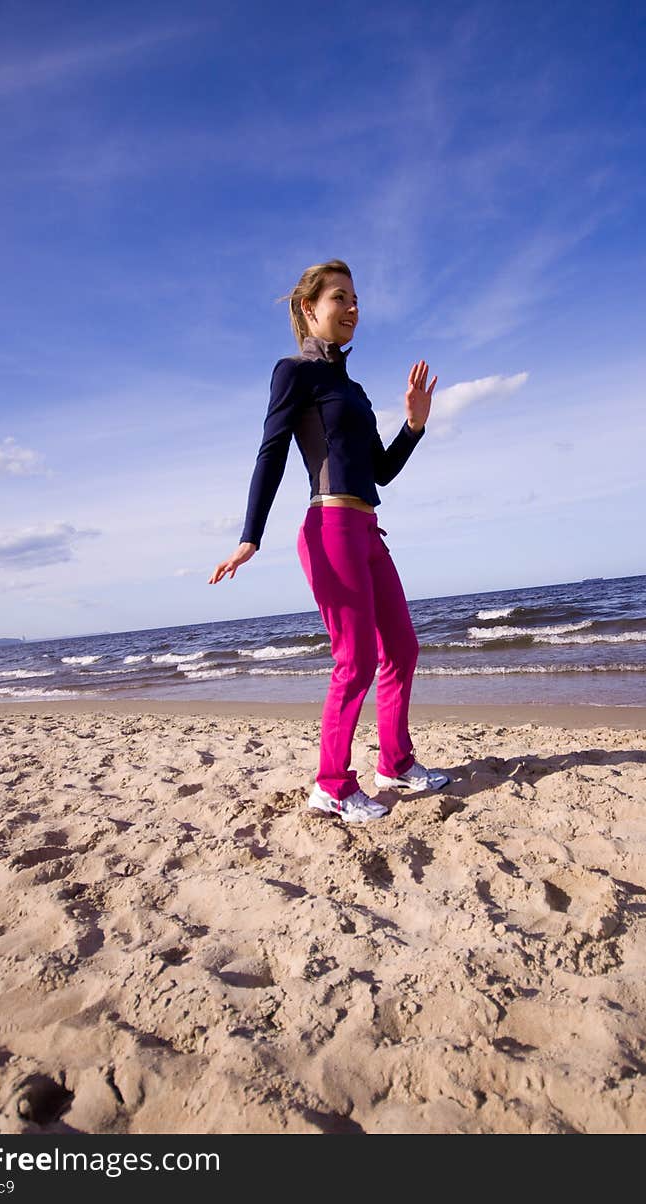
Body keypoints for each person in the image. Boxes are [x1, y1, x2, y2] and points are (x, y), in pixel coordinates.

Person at [209, 259, 450, 822]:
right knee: (356, 659)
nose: (351, 308)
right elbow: (270, 452)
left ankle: (394, 763)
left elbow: (381, 471)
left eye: (356, 299)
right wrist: (251, 538)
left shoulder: (353, 389)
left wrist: (413, 425)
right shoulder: (294, 372)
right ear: (308, 308)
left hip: (367, 529)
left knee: (402, 649)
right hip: (330, 529)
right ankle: (333, 786)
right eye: (339, 297)